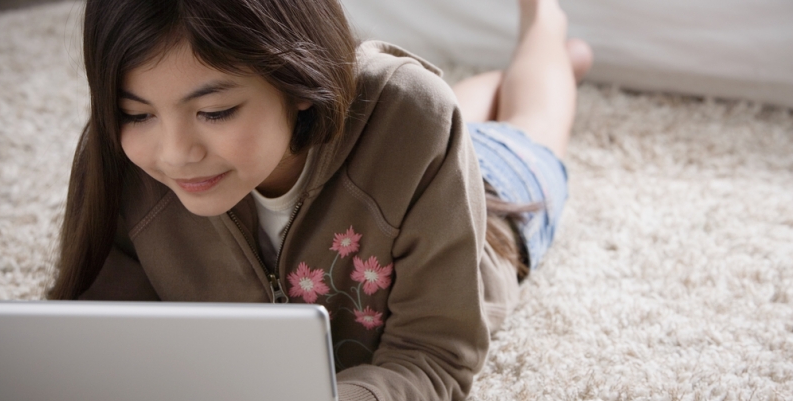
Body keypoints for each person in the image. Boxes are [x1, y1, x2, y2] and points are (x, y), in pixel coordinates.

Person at [48, 0, 591, 399]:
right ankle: (514, 75)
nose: (174, 153)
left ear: (300, 81)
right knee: (454, 118)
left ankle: (545, 27)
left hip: (491, 206)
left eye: (214, 112)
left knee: (530, 129)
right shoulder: (120, 161)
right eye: (137, 113)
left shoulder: (414, 117)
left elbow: (434, 360)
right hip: (423, 142)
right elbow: (102, 344)